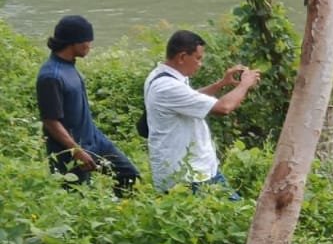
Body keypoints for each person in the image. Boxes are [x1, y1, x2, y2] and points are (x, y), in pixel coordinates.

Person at [143, 30, 261, 194]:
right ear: (182, 57)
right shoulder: (167, 86)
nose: (200, 64)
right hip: (186, 176)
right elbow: (223, 108)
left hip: (200, 169)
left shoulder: (162, 75)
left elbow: (190, 98)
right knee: (224, 214)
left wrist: (221, 84)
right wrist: (245, 84)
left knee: (229, 212)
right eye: (198, 59)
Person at [35, 14, 139, 195]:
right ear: (72, 42)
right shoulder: (51, 76)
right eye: (87, 41)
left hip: (94, 140)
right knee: (77, 196)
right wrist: (76, 150)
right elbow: (51, 121)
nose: (90, 46)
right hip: (69, 151)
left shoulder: (69, 66)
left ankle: (119, 213)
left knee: (128, 175)